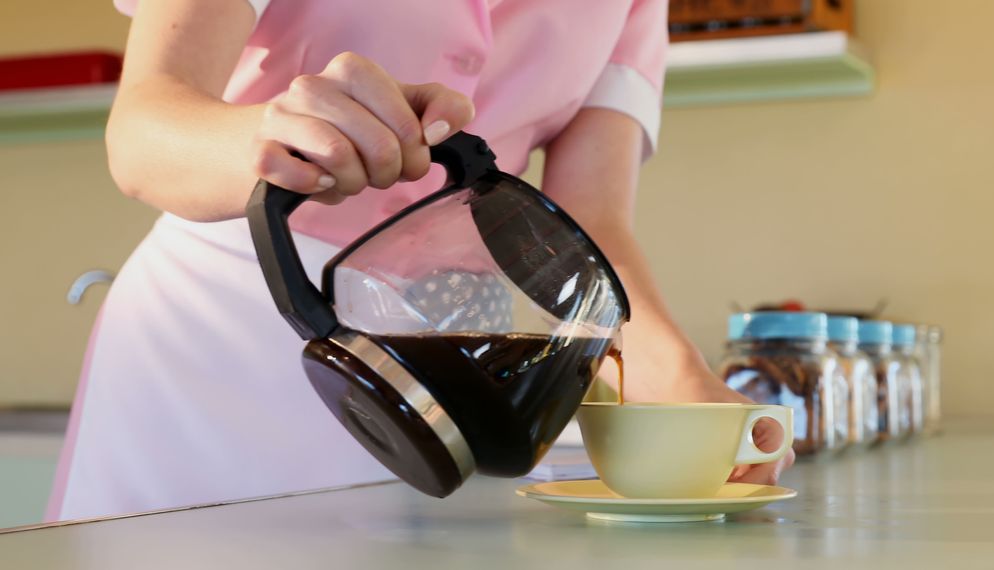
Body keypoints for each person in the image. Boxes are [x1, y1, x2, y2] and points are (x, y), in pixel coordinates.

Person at [46, 0, 794, 521]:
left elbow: (589, 225)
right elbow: (142, 132)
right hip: (204, 361)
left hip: (431, 387)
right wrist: (281, 140)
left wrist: (682, 384)